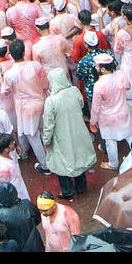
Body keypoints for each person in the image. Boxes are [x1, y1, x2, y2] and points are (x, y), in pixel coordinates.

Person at [42, 68, 96, 199]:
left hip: (61, 136)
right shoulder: (74, 91)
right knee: (79, 157)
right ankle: (80, 187)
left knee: (62, 162)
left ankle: (67, 190)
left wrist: (46, 141)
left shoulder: (51, 101)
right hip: (78, 131)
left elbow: (48, 125)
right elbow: (81, 104)